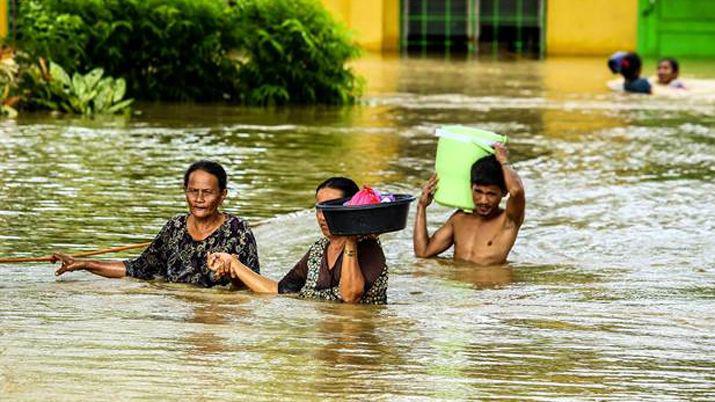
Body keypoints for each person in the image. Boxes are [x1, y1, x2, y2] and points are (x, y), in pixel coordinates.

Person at [51, 160, 260, 287]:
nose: (198, 199)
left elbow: (256, 288)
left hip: (217, 314)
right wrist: (85, 264)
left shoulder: (237, 230)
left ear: (223, 195)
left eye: (207, 192)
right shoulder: (175, 227)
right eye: (192, 191)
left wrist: (232, 275)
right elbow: (138, 269)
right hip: (179, 312)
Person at [206, 177, 388, 304]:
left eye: (331, 208)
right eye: (318, 209)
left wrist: (350, 239)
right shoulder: (319, 250)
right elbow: (280, 291)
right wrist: (233, 264)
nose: (322, 217)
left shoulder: (368, 247)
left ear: (350, 209)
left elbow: (350, 298)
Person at [413, 143, 525, 265]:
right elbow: (423, 252)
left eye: (491, 194)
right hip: (459, 283)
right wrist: (421, 206)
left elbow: (517, 191)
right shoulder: (459, 219)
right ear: (471, 187)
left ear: (504, 193)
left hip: (491, 283)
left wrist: (503, 161)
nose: (483, 200)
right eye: (478, 191)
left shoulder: (509, 220)